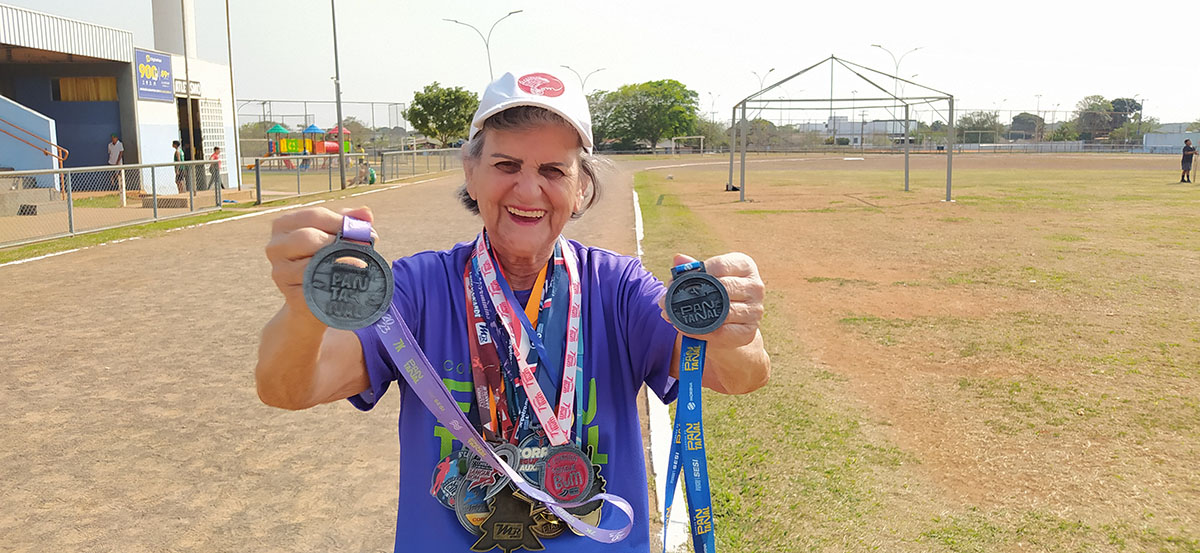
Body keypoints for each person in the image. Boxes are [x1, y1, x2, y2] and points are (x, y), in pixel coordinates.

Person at [256, 70, 770, 553]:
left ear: (580, 186)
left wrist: (733, 330)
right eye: (507, 165)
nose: (529, 190)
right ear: (471, 171)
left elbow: (740, 376)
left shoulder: (616, 288)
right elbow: (290, 388)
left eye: (553, 170)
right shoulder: (418, 289)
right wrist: (305, 309)